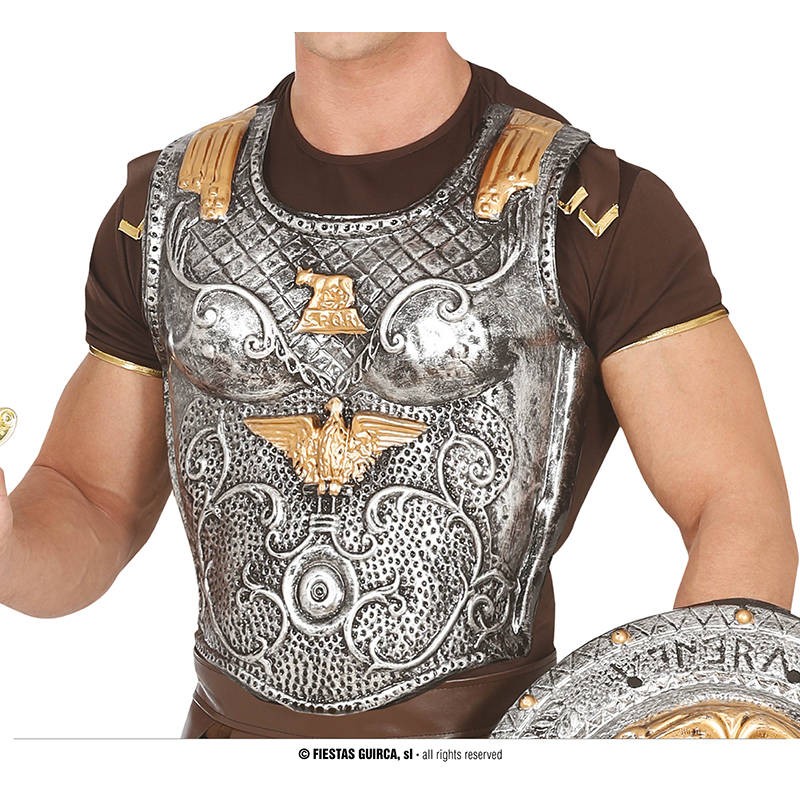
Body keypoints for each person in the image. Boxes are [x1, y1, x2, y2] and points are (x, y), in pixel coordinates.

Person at [0, 32, 795, 739]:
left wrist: (687, 741)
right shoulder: (168, 211)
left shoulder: (593, 210)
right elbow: (89, 497)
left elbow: (734, 508)